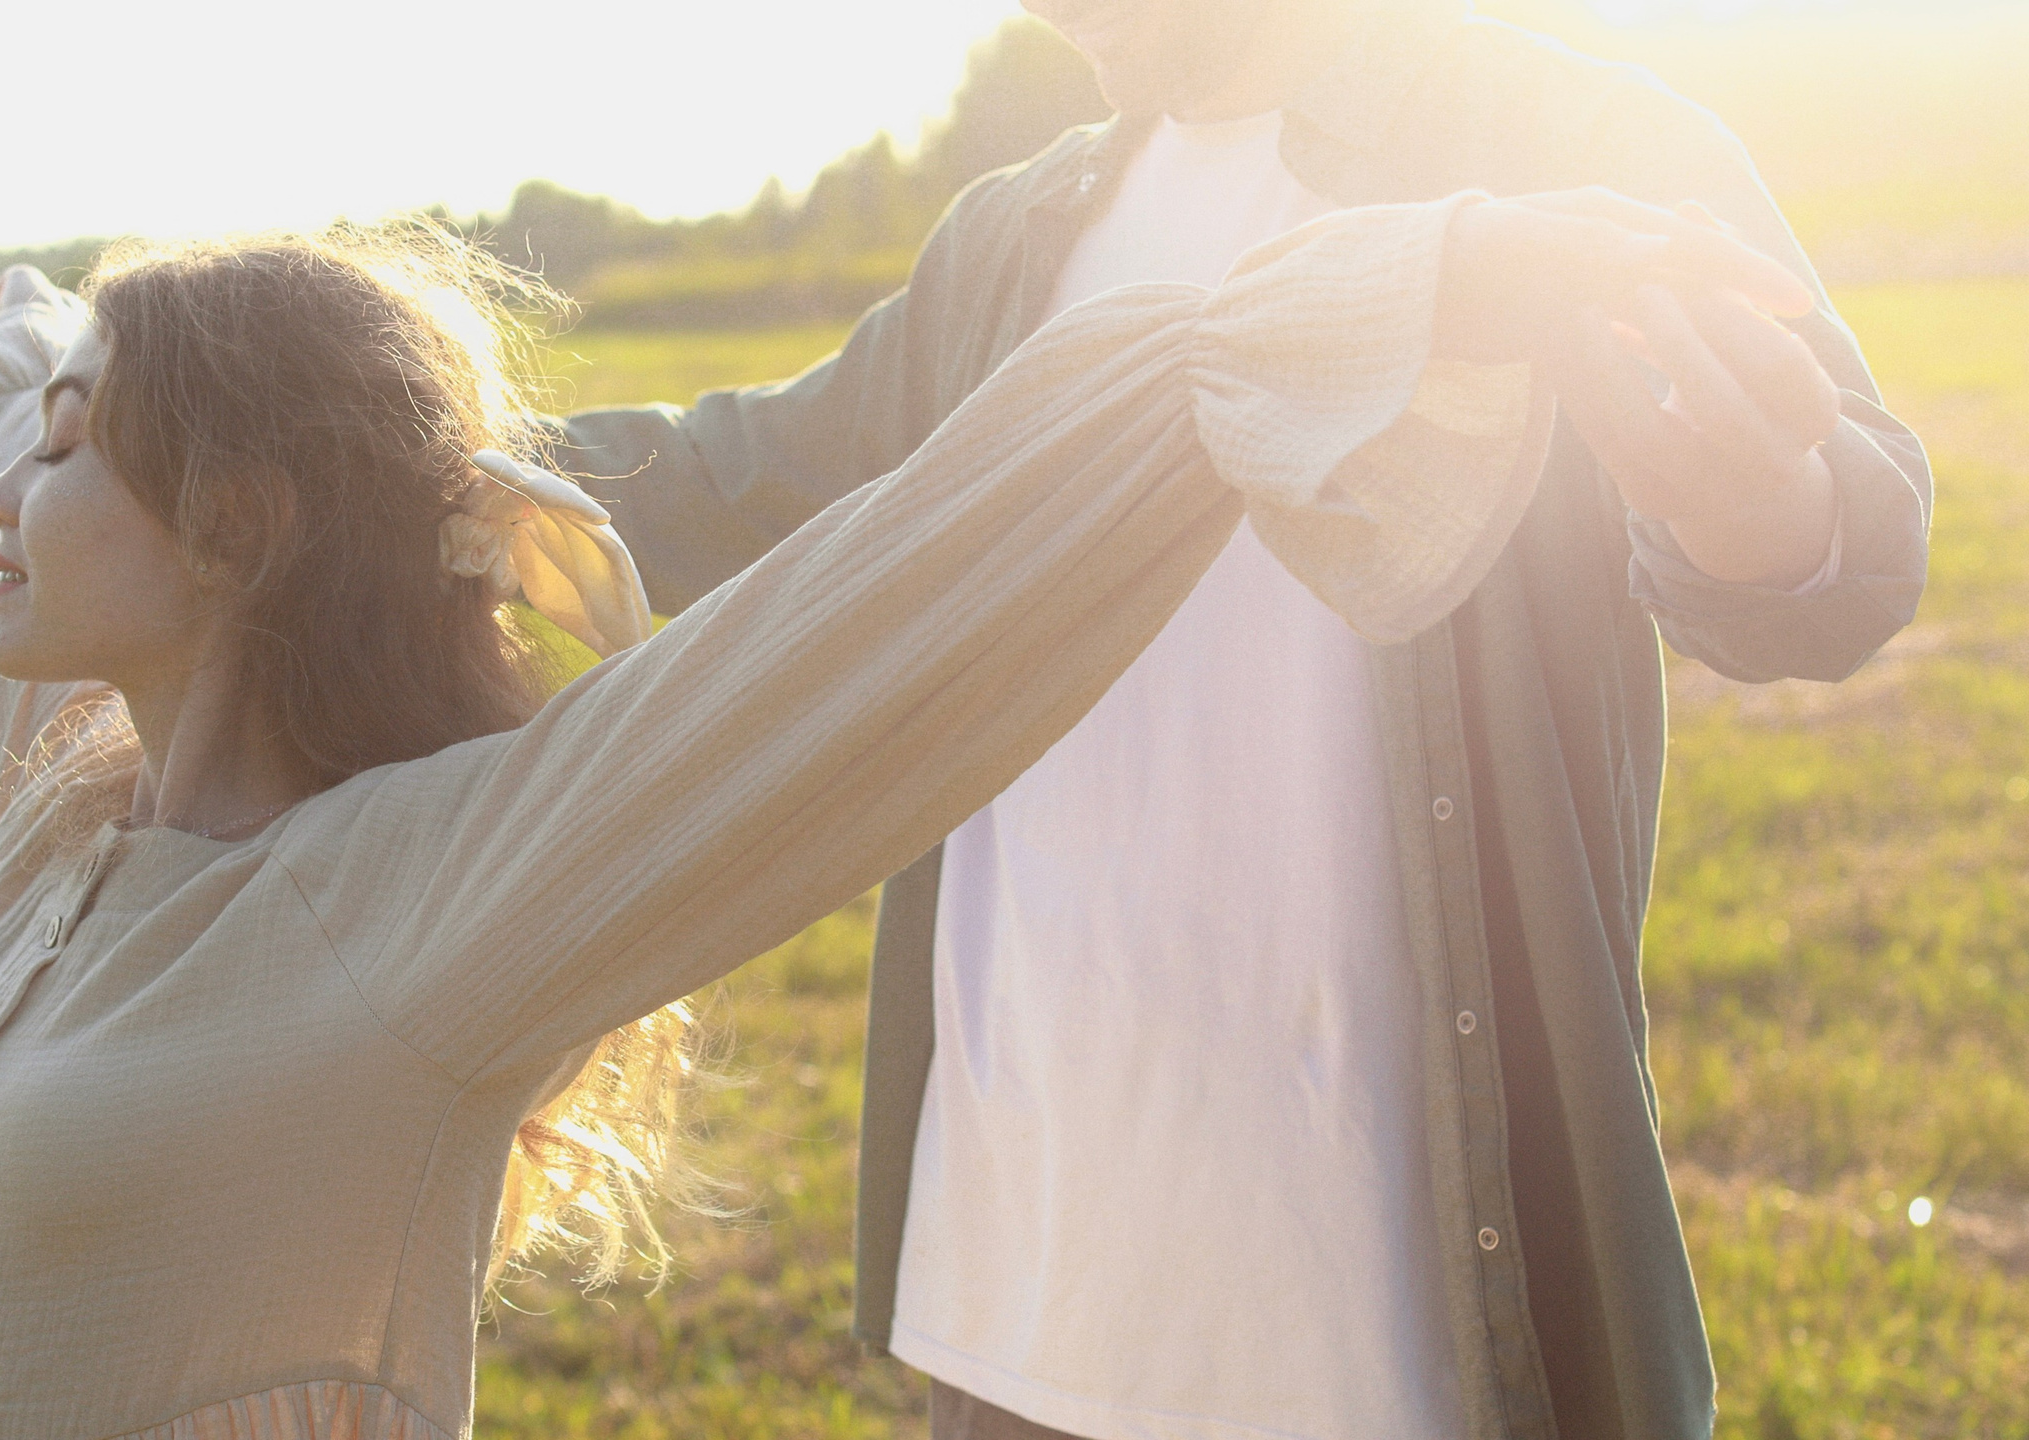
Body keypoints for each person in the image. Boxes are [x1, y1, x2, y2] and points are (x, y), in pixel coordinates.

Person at [0, 195, 1790, 1439]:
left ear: (234, 521)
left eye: (73, 458)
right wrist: (44, 363)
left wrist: (1407, 286)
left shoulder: (426, 908)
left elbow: (874, 619)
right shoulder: (60, 835)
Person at [549, 2, 1932, 1438]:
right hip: (1016, 1293)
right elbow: (749, 474)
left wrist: (1767, 511)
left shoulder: (1564, 140)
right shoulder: (1016, 229)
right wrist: (392, 456)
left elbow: (1856, 537)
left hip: (1391, 1341)